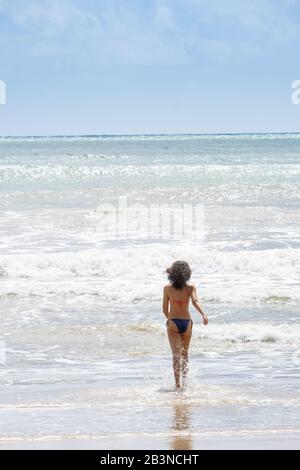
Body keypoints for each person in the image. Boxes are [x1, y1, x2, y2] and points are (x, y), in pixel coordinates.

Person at [163, 260, 208, 389]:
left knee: (176, 356)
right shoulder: (191, 287)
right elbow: (195, 302)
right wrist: (203, 314)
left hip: (173, 323)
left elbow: (165, 309)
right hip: (187, 323)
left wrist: (170, 320)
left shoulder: (167, 289)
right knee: (185, 355)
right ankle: (186, 383)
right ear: (187, 274)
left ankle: (177, 386)